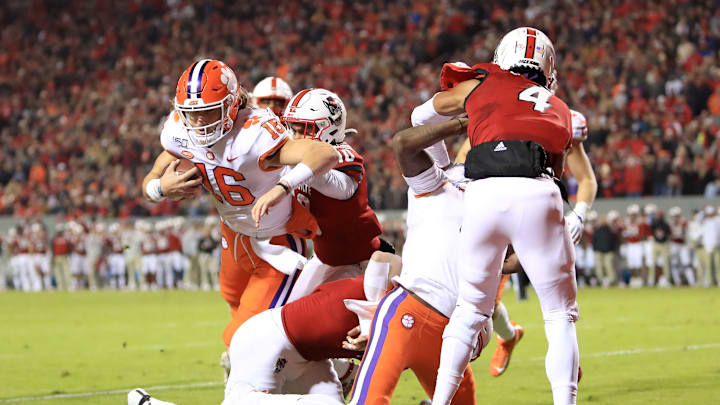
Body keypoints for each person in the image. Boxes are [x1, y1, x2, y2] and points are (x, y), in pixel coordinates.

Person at [415, 27, 579, 405]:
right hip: (538, 191)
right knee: (558, 315)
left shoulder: (481, 84)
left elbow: (419, 117)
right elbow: (558, 169)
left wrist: (445, 169)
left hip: (482, 192)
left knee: (469, 309)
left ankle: (440, 402)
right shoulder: (561, 109)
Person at [141, 59, 339, 346]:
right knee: (232, 299)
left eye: (208, 112)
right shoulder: (178, 131)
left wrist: (284, 186)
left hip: (275, 241)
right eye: (191, 113)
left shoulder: (255, 133)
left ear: (231, 104)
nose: (198, 122)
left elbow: (324, 154)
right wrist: (161, 188)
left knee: (242, 339)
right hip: (233, 233)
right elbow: (149, 183)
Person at [129, 251, 401, 405]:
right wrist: (371, 319)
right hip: (266, 339)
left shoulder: (409, 321)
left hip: (309, 360)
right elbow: (384, 259)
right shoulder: (390, 287)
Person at [279, 88, 389, 302]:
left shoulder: (343, 156)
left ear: (327, 129)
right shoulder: (300, 159)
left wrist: (293, 166)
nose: (296, 137)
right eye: (293, 128)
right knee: (284, 314)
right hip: (324, 257)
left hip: (360, 262)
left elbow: (336, 186)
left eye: (303, 129)